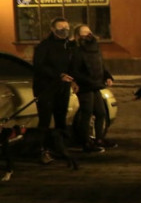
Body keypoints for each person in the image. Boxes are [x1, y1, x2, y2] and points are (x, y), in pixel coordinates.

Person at [32, 17, 77, 164]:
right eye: (60, 28)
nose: (64, 30)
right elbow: (39, 66)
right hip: (46, 88)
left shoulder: (68, 46)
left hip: (62, 88)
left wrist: (73, 80)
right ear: (53, 29)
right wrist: (58, 75)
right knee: (45, 120)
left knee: (61, 119)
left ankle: (60, 148)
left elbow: (73, 64)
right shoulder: (44, 46)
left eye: (66, 27)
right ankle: (42, 150)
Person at [70, 24, 114, 152]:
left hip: (96, 85)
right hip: (84, 86)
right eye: (84, 32)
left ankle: (99, 139)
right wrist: (83, 80)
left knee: (101, 113)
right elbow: (75, 70)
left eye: (89, 31)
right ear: (78, 35)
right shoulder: (76, 50)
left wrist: (107, 76)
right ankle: (86, 142)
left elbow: (101, 64)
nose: (88, 34)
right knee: (87, 113)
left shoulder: (95, 47)